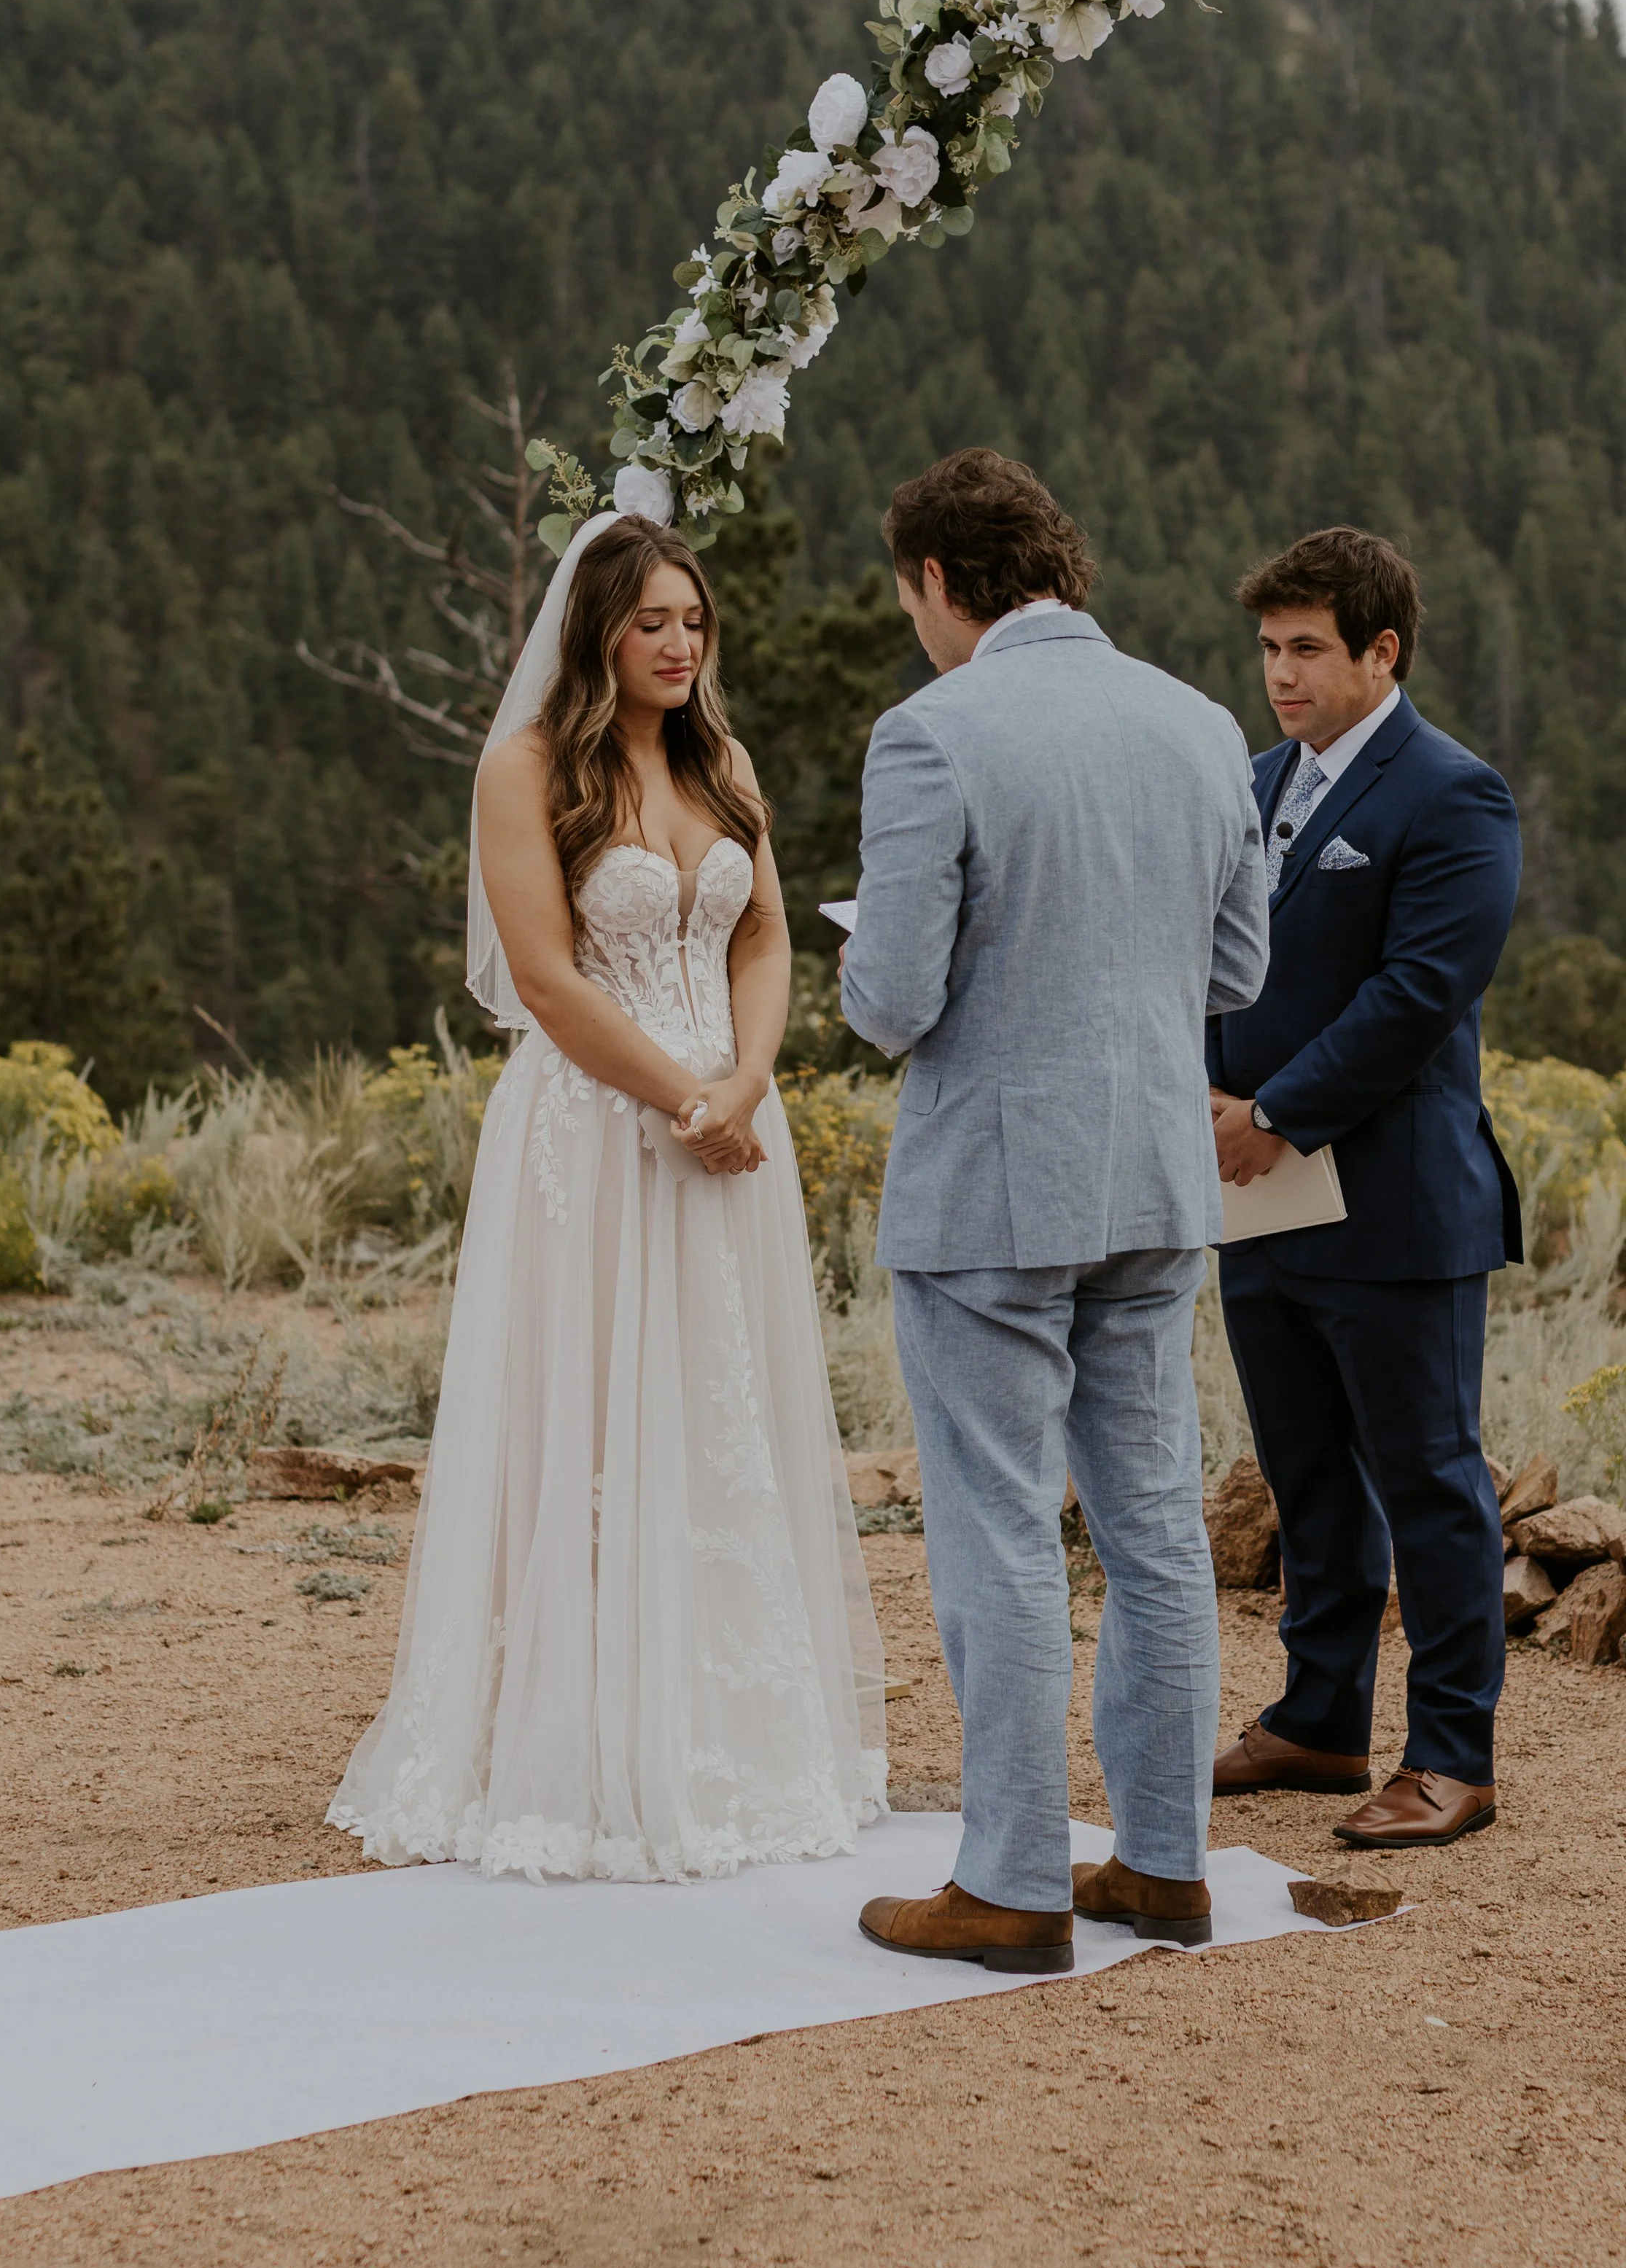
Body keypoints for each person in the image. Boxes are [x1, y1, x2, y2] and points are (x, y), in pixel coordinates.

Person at [329, 504, 885, 1883]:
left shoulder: (723, 762)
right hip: (596, 1131)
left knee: (717, 1408)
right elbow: (548, 980)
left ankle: (726, 1724)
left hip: (728, 1136)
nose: (680, 645)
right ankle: (570, 1734)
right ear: (597, 633)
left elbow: (763, 930)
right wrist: (678, 1098)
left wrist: (749, 1081)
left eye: (695, 622)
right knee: (583, 1416)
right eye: (653, 623)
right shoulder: (524, 768)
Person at [840, 448, 1269, 1972]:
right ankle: (1161, 1865)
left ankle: (1013, 1879)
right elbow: (1234, 978)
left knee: (999, 1530)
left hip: (991, 1190)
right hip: (1152, 1179)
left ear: (937, 584)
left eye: (910, 601)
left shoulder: (931, 734)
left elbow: (888, 1002)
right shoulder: (1200, 724)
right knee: (1154, 1528)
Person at [1207, 526, 1522, 1849]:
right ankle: (1322, 1719)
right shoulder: (1249, 780)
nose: (1281, 674)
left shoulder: (1455, 793)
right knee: (1305, 1471)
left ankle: (1453, 1752)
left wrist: (1274, 1113)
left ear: (1380, 651)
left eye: (1308, 649)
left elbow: (1417, 995)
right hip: (1253, 1200)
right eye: (1271, 648)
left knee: (1429, 1474)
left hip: (1393, 1203)